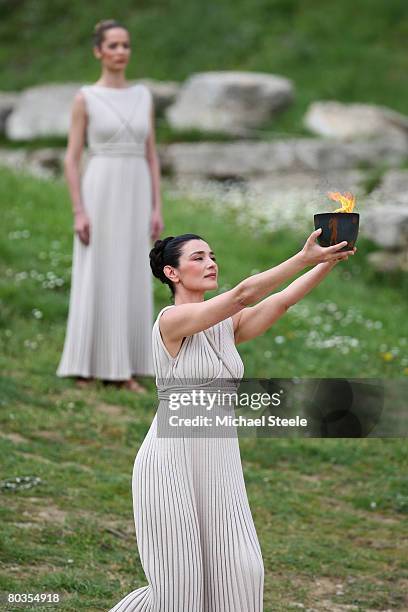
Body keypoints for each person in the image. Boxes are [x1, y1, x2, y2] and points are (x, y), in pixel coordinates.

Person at [108, 230, 356, 611]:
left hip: (218, 463)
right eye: (198, 257)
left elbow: (283, 301)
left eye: (212, 255)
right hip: (170, 464)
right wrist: (302, 258)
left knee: (242, 571)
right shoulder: (171, 322)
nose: (210, 263)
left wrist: (327, 260)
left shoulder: (226, 325)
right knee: (179, 590)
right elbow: (242, 295)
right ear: (172, 274)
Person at [57, 19, 164, 392]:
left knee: (132, 273)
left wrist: (156, 207)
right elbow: (71, 159)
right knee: (98, 271)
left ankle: (126, 368)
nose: (120, 52)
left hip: (136, 189)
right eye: (113, 46)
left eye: (125, 45)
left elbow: (152, 157)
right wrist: (79, 210)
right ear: (98, 51)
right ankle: (86, 366)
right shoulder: (85, 98)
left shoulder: (143, 96)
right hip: (99, 188)